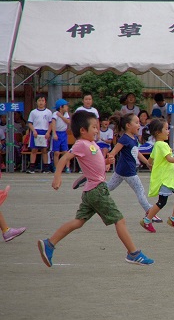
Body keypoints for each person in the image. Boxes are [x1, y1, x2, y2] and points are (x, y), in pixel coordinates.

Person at [37, 111, 154, 267]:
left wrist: (106, 160)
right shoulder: (81, 144)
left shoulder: (91, 144)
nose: (97, 130)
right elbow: (65, 158)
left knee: (78, 222)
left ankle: (50, 243)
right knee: (120, 220)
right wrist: (57, 176)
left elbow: (94, 164)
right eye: (94, 127)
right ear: (83, 130)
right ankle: (133, 253)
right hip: (97, 191)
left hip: (91, 190)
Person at [106, 113, 159, 222]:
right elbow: (113, 152)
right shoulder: (124, 139)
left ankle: (90, 183)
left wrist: (147, 162)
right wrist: (107, 162)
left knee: (108, 187)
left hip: (121, 170)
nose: (139, 125)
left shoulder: (133, 138)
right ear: (128, 125)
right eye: (136, 122)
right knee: (140, 190)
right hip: (128, 171)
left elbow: (136, 152)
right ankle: (150, 212)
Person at [141, 118, 174, 233]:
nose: (168, 131)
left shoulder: (157, 145)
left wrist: (152, 167)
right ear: (158, 132)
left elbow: (150, 161)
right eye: (166, 129)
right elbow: (169, 158)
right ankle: (147, 220)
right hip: (165, 179)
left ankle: (173, 219)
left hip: (170, 178)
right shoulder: (162, 145)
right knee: (162, 202)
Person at [26, 94, 53, 174]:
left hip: (44, 132)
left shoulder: (48, 112)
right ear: (36, 102)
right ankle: (32, 167)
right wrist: (33, 131)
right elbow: (30, 123)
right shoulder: (33, 112)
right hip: (36, 132)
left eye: (42, 100)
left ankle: (46, 168)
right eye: (39, 101)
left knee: (44, 150)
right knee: (34, 150)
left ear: (45, 102)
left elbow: (51, 123)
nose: (41, 102)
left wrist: (48, 132)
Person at [51, 99, 71, 174]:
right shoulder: (55, 114)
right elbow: (53, 124)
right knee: (56, 152)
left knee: (65, 151)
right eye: (66, 106)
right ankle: (56, 167)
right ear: (61, 107)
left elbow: (68, 122)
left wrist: (61, 116)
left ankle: (67, 167)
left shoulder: (66, 114)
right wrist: (54, 133)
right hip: (57, 133)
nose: (67, 107)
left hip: (63, 134)